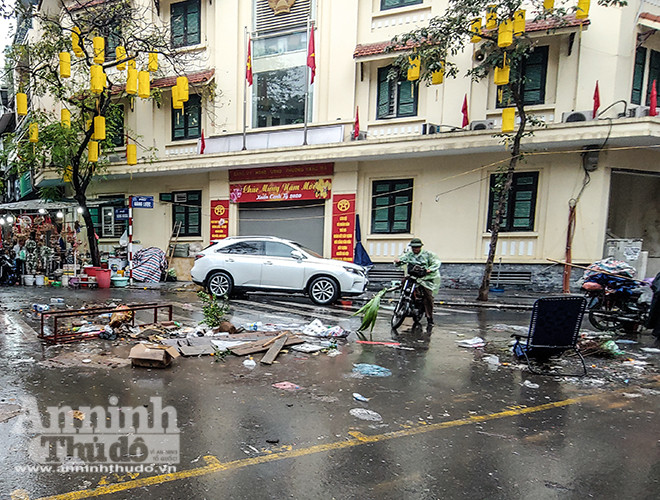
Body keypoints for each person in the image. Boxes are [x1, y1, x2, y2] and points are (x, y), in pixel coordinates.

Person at [394, 238, 441, 326]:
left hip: (426, 278)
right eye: (413, 247)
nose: (415, 249)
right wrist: (398, 261)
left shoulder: (428, 255)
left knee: (428, 297)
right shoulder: (409, 255)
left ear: (420, 247)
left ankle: (429, 318)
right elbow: (401, 259)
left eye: (417, 247)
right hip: (413, 276)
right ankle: (405, 302)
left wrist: (429, 270)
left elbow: (436, 263)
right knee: (404, 283)